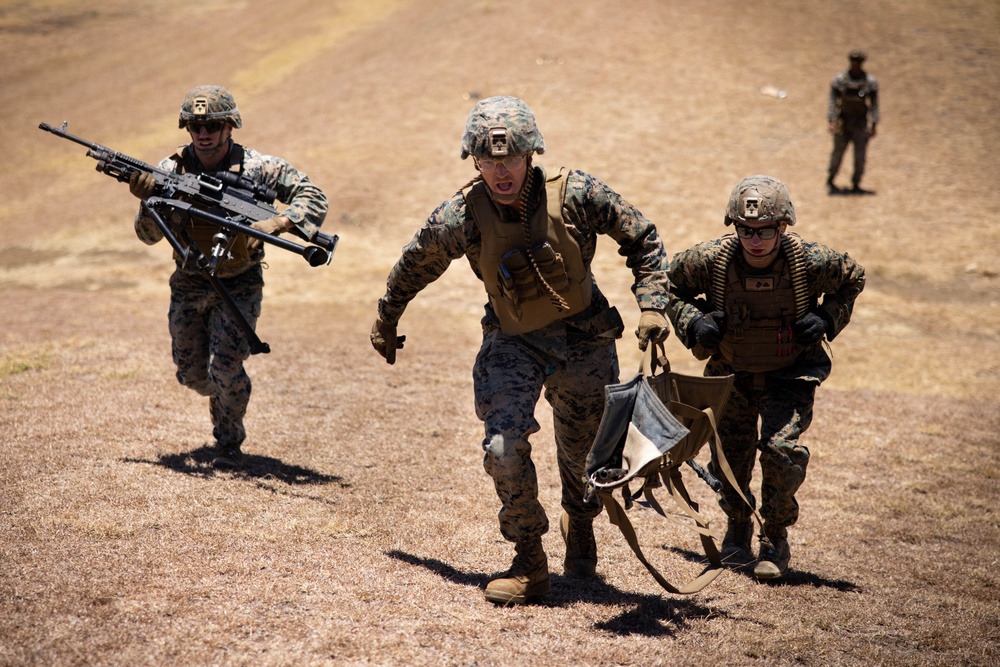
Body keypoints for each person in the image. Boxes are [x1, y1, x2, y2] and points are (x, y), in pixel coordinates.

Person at [370, 96, 671, 604]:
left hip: (585, 339)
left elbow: (643, 239)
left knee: (585, 460)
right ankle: (529, 560)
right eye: (487, 160)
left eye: (508, 158)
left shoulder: (577, 194)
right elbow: (416, 262)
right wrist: (386, 318)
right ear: (474, 161)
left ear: (530, 153)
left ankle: (581, 520)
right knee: (503, 448)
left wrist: (653, 306)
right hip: (513, 342)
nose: (499, 170)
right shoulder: (461, 215)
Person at [666, 175, 864, 580]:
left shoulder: (810, 262)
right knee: (730, 459)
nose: (754, 239)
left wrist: (827, 317)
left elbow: (854, 278)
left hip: (789, 374)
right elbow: (667, 285)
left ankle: (774, 538)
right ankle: (736, 529)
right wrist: (693, 322)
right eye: (746, 230)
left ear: (783, 226)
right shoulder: (710, 260)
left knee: (779, 451)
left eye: (765, 231)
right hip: (730, 375)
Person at [129, 85, 328, 468]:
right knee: (190, 374)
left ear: (230, 126)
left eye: (213, 125)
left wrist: (280, 221)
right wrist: (148, 202)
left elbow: (313, 195)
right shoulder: (170, 170)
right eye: (195, 125)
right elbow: (147, 236)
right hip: (188, 282)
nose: (203, 133)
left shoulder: (259, 168)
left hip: (239, 282)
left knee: (226, 367)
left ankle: (228, 442)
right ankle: (221, 394)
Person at [826, 50, 879, 193]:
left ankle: (856, 183)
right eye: (854, 61)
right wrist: (831, 120)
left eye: (859, 62)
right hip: (843, 122)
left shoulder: (869, 82)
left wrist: (874, 124)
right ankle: (831, 178)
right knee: (837, 153)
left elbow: (874, 105)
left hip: (860, 124)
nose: (856, 64)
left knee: (860, 156)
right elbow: (832, 101)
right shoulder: (840, 80)